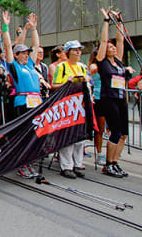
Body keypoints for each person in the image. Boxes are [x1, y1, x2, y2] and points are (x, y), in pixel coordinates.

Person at [1, 11, 41, 178]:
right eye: (23, 53)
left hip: (36, 102)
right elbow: (7, 47)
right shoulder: (14, 66)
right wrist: (5, 27)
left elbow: (36, 47)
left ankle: (29, 161)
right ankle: (21, 164)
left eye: (27, 53)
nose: (26, 54)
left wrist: (33, 29)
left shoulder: (30, 64)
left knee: (34, 134)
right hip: (22, 103)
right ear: (16, 55)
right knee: (24, 135)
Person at [96, 8, 129, 178]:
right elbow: (103, 41)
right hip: (109, 99)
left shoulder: (118, 62)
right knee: (115, 131)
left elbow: (120, 40)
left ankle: (115, 162)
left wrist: (120, 22)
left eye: (113, 46)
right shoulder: (102, 63)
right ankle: (108, 164)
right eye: (109, 47)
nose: (112, 48)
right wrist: (107, 21)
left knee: (123, 133)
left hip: (122, 99)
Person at [51, 40, 89, 179]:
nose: (78, 52)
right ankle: (66, 166)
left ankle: (78, 164)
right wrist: (67, 82)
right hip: (67, 105)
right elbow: (53, 85)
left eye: (79, 49)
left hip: (80, 105)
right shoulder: (62, 67)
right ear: (68, 52)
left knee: (79, 137)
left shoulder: (82, 67)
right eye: (75, 50)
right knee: (67, 136)